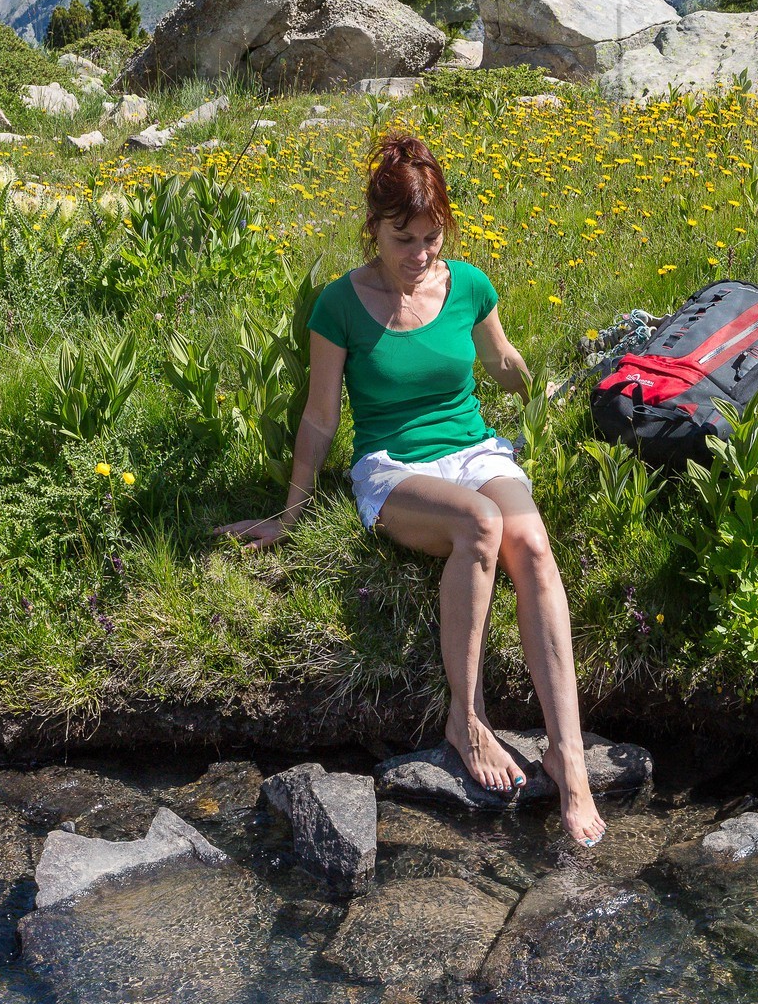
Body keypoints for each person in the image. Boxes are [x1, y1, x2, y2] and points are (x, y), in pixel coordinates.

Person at [216, 131, 606, 848]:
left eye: (429, 239)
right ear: (373, 230)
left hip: (475, 449)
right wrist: (289, 513)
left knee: (533, 543)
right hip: (394, 467)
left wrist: (552, 389)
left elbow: (502, 361)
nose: (418, 254)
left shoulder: (469, 285)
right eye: (403, 239)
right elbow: (320, 415)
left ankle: (567, 754)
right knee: (481, 526)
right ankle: (465, 717)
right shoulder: (339, 304)